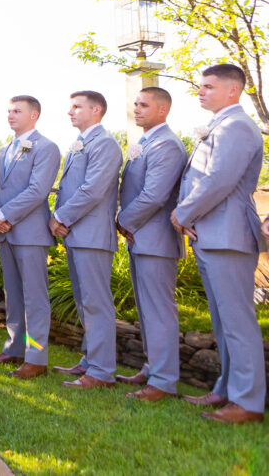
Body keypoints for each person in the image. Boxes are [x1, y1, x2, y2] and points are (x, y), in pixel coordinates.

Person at [172, 64, 266, 424]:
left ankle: (248, 403)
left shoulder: (237, 127)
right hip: (212, 233)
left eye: (209, 86)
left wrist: (182, 213)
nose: (201, 91)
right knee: (223, 319)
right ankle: (227, 388)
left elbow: (218, 180)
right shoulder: (222, 125)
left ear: (233, 91)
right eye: (200, 86)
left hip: (229, 234)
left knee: (238, 321)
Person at [0, 95, 60, 380]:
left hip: (30, 234)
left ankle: (36, 358)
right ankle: (13, 348)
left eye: (17, 111)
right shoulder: (4, 150)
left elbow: (38, 191)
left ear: (34, 115)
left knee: (35, 297)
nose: (11, 115)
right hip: (6, 234)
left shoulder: (46, 147)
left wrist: (5, 216)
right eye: (9, 110)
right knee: (12, 294)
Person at [115, 87, 186, 401]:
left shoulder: (167, 145)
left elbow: (154, 196)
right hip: (141, 239)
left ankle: (164, 381)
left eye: (144, 105)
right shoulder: (144, 142)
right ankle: (152, 366)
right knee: (147, 310)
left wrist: (123, 221)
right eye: (135, 104)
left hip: (155, 238)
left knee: (159, 310)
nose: (137, 109)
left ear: (163, 110)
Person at [49, 90, 122, 389]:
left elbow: (92, 190)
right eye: (71, 107)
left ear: (97, 110)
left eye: (77, 107)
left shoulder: (105, 143)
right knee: (84, 302)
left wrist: (60, 217)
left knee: (96, 303)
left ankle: (102, 372)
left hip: (92, 235)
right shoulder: (80, 144)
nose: (71, 112)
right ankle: (90, 360)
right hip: (77, 235)